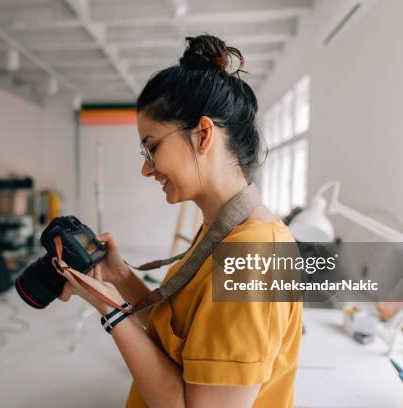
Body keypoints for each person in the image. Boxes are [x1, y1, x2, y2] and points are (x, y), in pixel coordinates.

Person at [58, 34, 303, 408]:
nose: (146, 168)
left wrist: (110, 311)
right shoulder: (225, 231)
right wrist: (120, 277)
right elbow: (180, 335)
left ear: (203, 135)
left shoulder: (252, 257)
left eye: (152, 147)